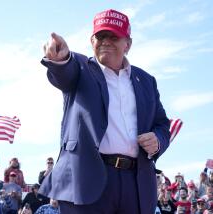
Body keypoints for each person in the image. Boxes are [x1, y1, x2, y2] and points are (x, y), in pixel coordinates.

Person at [39, 8, 170, 214]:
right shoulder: (81, 68)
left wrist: (158, 140)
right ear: (92, 41)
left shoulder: (146, 81)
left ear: (128, 44)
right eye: (100, 36)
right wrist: (60, 59)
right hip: (86, 181)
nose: (106, 41)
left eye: (113, 36)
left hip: (135, 184)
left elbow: (162, 124)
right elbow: (64, 71)